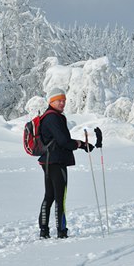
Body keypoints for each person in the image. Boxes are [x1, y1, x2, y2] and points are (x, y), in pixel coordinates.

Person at [38, 88, 94, 239]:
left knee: (49, 196)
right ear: (51, 101)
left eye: (64, 100)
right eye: (59, 100)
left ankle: (44, 231)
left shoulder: (48, 116)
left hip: (48, 160)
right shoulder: (53, 118)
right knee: (60, 196)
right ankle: (61, 231)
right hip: (56, 160)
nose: (62, 103)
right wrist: (81, 144)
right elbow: (63, 141)